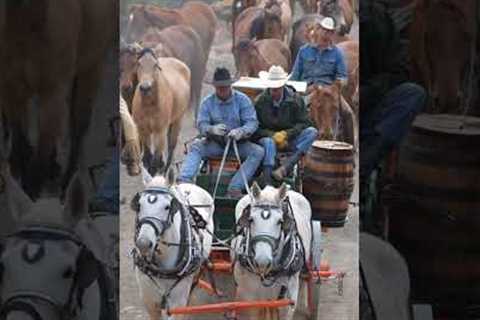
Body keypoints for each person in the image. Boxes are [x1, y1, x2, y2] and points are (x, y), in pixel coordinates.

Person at [359, 0, 426, 231]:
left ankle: (365, 164)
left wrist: (369, 91)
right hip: (341, 113)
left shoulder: (377, 18)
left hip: (373, 115)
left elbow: (399, 71)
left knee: (413, 94)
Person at [178, 67, 264, 198]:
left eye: (225, 87)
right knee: (195, 147)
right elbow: (201, 123)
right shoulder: (207, 102)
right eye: (219, 87)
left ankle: (235, 187)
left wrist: (241, 131)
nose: (222, 90)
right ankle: (184, 181)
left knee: (258, 152)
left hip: (238, 145)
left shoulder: (242, 100)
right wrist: (211, 129)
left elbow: (252, 122)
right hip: (216, 144)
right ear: (214, 87)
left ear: (230, 85)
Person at [253, 66, 318, 184]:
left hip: (290, 140)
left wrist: (287, 134)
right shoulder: (260, 101)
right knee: (268, 142)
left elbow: (305, 123)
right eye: (272, 89)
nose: (274, 92)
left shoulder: (296, 100)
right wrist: (272, 135)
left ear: (283, 86)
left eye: (277, 89)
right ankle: (268, 180)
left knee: (312, 132)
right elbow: (255, 127)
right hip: (269, 142)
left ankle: (285, 168)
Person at [290, 16, 348, 103]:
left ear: (332, 34)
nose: (326, 34)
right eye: (324, 30)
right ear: (318, 30)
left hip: (329, 93)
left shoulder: (337, 53)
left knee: (348, 113)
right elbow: (294, 77)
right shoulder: (304, 51)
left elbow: (343, 78)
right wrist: (303, 89)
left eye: (329, 32)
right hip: (307, 92)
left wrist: (332, 87)